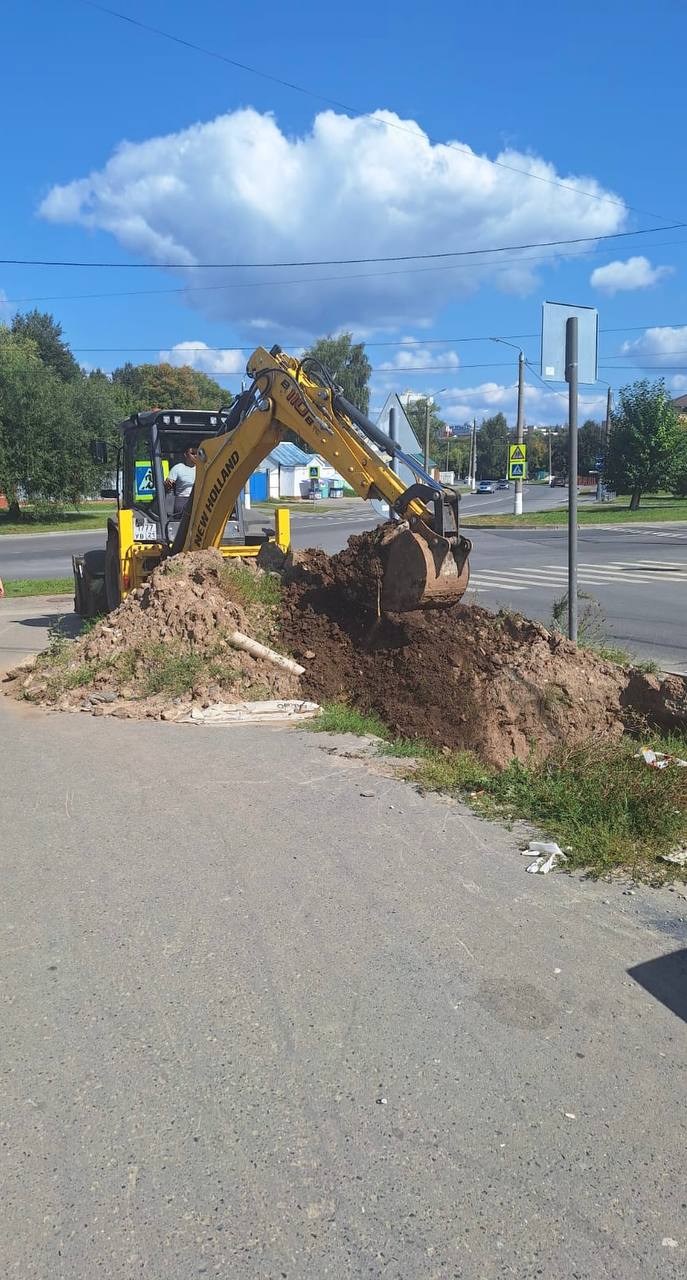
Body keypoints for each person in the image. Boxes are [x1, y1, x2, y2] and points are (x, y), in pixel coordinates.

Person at [165, 445, 198, 516]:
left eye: (197, 453)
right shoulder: (178, 468)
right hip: (182, 500)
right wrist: (168, 483)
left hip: (198, 500)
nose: (195, 456)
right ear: (186, 455)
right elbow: (168, 484)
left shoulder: (202, 468)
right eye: (192, 453)